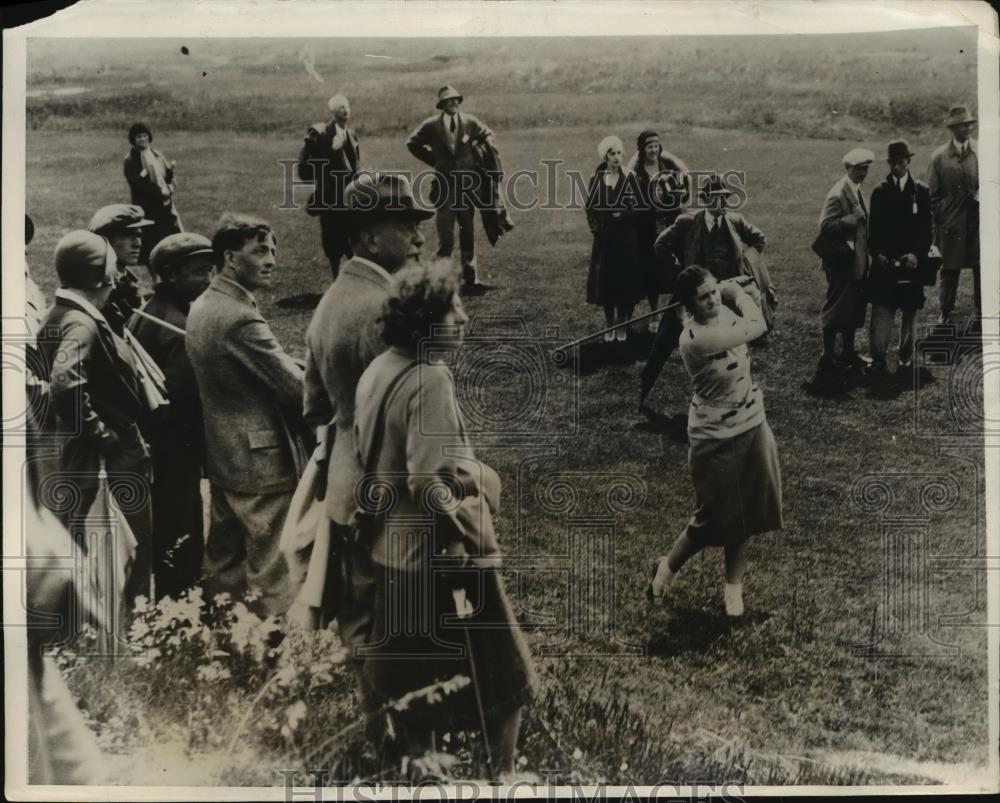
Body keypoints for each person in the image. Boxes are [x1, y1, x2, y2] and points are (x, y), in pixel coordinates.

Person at [353, 262, 537, 773]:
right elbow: (425, 482)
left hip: (391, 549)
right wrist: (465, 536)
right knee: (506, 672)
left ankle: (419, 764)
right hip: (440, 554)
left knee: (414, 676)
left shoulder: (380, 368)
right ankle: (502, 774)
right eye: (452, 308)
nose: (463, 317)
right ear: (424, 322)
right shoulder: (429, 377)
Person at [292, 173, 433, 647]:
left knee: (360, 617)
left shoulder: (331, 300)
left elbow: (314, 405)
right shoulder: (384, 309)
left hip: (344, 482)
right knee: (396, 626)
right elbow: (409, 422)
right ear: (370, 237)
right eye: (406, 225)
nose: (419, 236)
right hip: (386, 488)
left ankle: (374, 713)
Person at [186, 214, 306, 615]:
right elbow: (295, 390)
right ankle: (273, 651)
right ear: (230, 257)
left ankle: (227, 640)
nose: (271, 259)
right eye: (259, 251)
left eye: (272, 250)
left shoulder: (206, 303)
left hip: (225, 454)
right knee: (271, 564)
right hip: (262, 463)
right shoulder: (240, 317)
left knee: (224, 561)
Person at [648, 265, 782, 617]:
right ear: (689, 305)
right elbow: (757, 325)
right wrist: (734, 292)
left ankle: (733, 594)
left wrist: (726, 297)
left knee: (746, 513)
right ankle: (665, 570)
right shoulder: (694, 338)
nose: (712, 301)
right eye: (703, 297)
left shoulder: (720, 315)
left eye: (712, 292)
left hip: (751, 422)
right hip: (714, 434)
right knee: (711, 519)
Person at [36, 230, 153, 607]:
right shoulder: (81, 323)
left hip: (77, 456)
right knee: (125, 544)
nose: (118, 278)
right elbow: (66, 383)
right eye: (113, 269)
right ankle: (125, 626)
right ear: (97, 276)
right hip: (108, 461)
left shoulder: (60, 313)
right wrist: (102, 435)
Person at [128, 232, 214, 600]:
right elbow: (183, 403)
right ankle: (179, 609)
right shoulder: (179, 327)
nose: (208, 281)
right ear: (170, 275)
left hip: (153, 449)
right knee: (182, 528)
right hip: (176, 451)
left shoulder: (147, 312)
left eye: (210, 272)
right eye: (198, 273)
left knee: (162, 529)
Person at [641, 174, 768, 406]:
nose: (723, 203)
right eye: (718, 198)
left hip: (725, 294)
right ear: (705, 199)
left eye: (726, 198)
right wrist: (680, 274)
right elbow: (660, 245)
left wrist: (746, 267)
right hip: (691, 295)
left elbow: (759, 240)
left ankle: (738, 395)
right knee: (665, 339)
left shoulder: (735, 221)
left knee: (737, 345)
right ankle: (644, 391)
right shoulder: (687, 222)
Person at [406, 85, 495, 293]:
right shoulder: (432, 125)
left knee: (468, 233)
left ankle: (470, 279)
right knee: (445, 237)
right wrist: (434, 161)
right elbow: (411, 143)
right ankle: (437, 280)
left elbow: (487, 133)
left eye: (456, 100)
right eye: (449, 101)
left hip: (466, 189)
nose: (453, 103)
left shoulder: (470, 122)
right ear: (442, 105)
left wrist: (485, 147)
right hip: (445, 190)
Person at [866, 140, 933, 380]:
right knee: (882, 309)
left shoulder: (921, 191)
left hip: (911, 263)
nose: (897, 167)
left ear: (908, 162)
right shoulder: (880, 191)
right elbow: (873, 229)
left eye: (901, 163)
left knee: (909, 312)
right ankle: (878, 358)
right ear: (889, 163)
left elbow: (927, 230)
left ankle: (906, 358)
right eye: (893, 163)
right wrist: (879, 253)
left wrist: (916, 254)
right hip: (885, 263)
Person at [815, 148, 875, 376]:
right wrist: (850, 221)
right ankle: (827, 356)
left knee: (852, 306)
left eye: (866, 169)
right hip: (840, 261)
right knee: (836, 306)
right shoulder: (838, 192)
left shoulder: (855, 189)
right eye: (859, 169)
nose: (863, 173)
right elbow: (825, 226)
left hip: (855, 261)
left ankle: (848, 352)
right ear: (848, 168)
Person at [628, 130, 691, 332]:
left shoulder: (668, 166)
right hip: (648, 226)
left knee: (677, 264)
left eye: (656, 145)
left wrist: (683, 202)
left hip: (672, 222)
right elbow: (630, 195)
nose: (654, 149)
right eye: (649, 146)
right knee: (652, 268)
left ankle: (679, 310)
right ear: (642, 149)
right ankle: (654, 314)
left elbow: (685, 173)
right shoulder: (637, 171)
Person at [585, 135, 643, 342]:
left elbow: (639, 207)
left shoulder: (631, 177)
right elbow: (589, 208)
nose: (617, 157)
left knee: (626, 283)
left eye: (619, 153)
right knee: (607, 284)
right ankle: (609, 325)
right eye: (612, 153)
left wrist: (623, 215)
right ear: (605, 156)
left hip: (627, 239)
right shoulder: (596, 178)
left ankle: (623, 325)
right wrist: (596, 229)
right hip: (605, 240)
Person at [925, 105, 979, 326]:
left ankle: (982, 312)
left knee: (980, 266)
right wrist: (944, 217)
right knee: (950, 268)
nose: (967, 128)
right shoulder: (939, 157)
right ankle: (946, 311)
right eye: (962, 125)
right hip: (951, 224)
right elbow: (932, 195)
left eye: (968, 124)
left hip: (976, 222)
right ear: (953, 129)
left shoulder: (980, 151)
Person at [297, 93, 361, 278]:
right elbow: (312, 167)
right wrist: (332, 149)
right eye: (341, 107)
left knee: (353, 237)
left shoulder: (352, 134)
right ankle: (335, 278)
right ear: (333, 112)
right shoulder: (323, 134)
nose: (345, 109)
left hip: (350, 194)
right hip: (330, 195)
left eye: (347, 105)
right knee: (333, 239)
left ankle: (353, 277)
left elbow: (356, 164)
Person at [88, 203, 155, 335]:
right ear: (105, 240)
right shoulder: (102, 291)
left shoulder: (127, 281)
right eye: (128, 236)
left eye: (139, 235)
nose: (138, 244)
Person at [123, 122, 182, 266]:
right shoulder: (130, 160)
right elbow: (137, 184)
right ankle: (156, 278)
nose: (142, 139)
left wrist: (170, 187)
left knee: (169, 240)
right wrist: (160, 193)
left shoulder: (157, 154)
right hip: (147, 208)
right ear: (133, 140)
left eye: (144, 136)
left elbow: (169, 175)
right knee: (151, 244)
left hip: (165, 206)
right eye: (138, 137)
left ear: (149, 137)